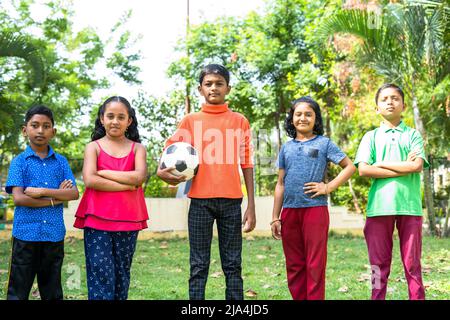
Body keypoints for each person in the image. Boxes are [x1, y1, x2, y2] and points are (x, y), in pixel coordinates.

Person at [157, 64, 256, 300]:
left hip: (232, 202)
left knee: (233, 264)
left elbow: (247, 163)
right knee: (198, 264)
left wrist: (251, 205)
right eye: (208, 83)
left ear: (228, 88)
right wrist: (162, 172)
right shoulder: (191, 121)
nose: (214, 87)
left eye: (219, 83)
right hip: (200, 202)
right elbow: (170, 152)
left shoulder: (239, 121)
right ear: (200, 89)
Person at [271, 96, 355, 300]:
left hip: (315, 210)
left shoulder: (324, 143)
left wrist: (328, 187)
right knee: (294, 263)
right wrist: (275, 216)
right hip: (290, 212)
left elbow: (350, 166)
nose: (303, 118)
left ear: (315, 119)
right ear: (291, 119)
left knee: (315, 264)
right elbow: (280, 183)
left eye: (308, 114)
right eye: (298, 114)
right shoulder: (286, 147)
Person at [354, 83, 427, 300]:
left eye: (395, 98)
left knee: (412, 263)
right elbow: (364, 169)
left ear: (403, 105)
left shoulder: (413, 135)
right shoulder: (371, 137)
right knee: (377, 265)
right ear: (377, 107)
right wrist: (400, 165)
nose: (390, 102)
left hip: (410, 207)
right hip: (378, 208)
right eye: (384, 99)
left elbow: (416, 166)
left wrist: (382, 164)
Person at [74, 96, 148, 300]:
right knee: (100, 273)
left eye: (121, 117)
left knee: (121, 274)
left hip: (128, 219)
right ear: (101, 118)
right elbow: (90, 180)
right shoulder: (93, 147)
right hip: (97, 219)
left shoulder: (138, 148)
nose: (115, 121)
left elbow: (139, 176)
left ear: (129, 121)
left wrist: (104, 172)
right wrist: (128, 184)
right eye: (110, 116)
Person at [5, 105, 79, 300]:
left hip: (53, 235)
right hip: (25, 235)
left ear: (53, 132)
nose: (40, 130)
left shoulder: (61, 162)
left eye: (46, 126)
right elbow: (19, 198)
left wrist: (42, 193)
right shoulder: (19, 162)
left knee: (52, 290)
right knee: (18, 291)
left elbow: (73, 194)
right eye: (35, 125)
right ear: (25, 130)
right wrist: (55, 199)